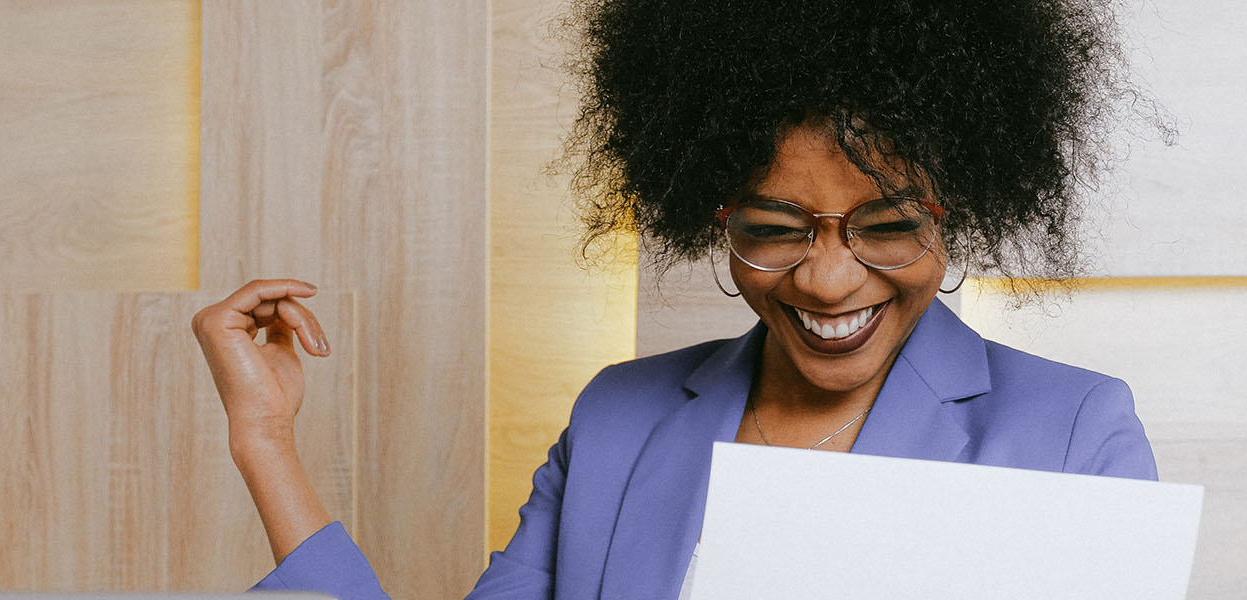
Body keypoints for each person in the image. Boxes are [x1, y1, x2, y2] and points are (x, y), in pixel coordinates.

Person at [189, 0, 1157, 598]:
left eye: (886, 225)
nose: (827, 278)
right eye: (776, 229)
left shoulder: (1074, 439)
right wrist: (265, 442)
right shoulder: (617, 423)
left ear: (953, 211)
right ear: (715, 211)